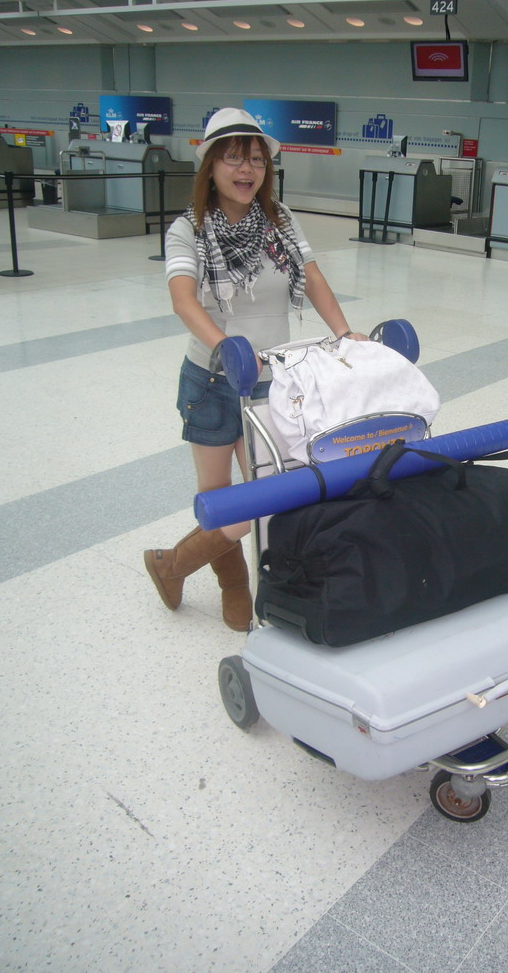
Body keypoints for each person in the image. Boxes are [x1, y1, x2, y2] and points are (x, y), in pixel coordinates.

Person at [144, 108, 364, 631]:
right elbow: (182, 298)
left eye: (257, 161)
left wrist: (344, 333)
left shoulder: (279, 223)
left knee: (273, 498)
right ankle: (231, 584)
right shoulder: (188, 230)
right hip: (213, 381)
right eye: (235, 158)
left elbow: (311, 278)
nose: (247, 170)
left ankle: (169, 564)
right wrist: (227, 346)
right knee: (228, 509)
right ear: (212, 166)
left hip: (272, 385)